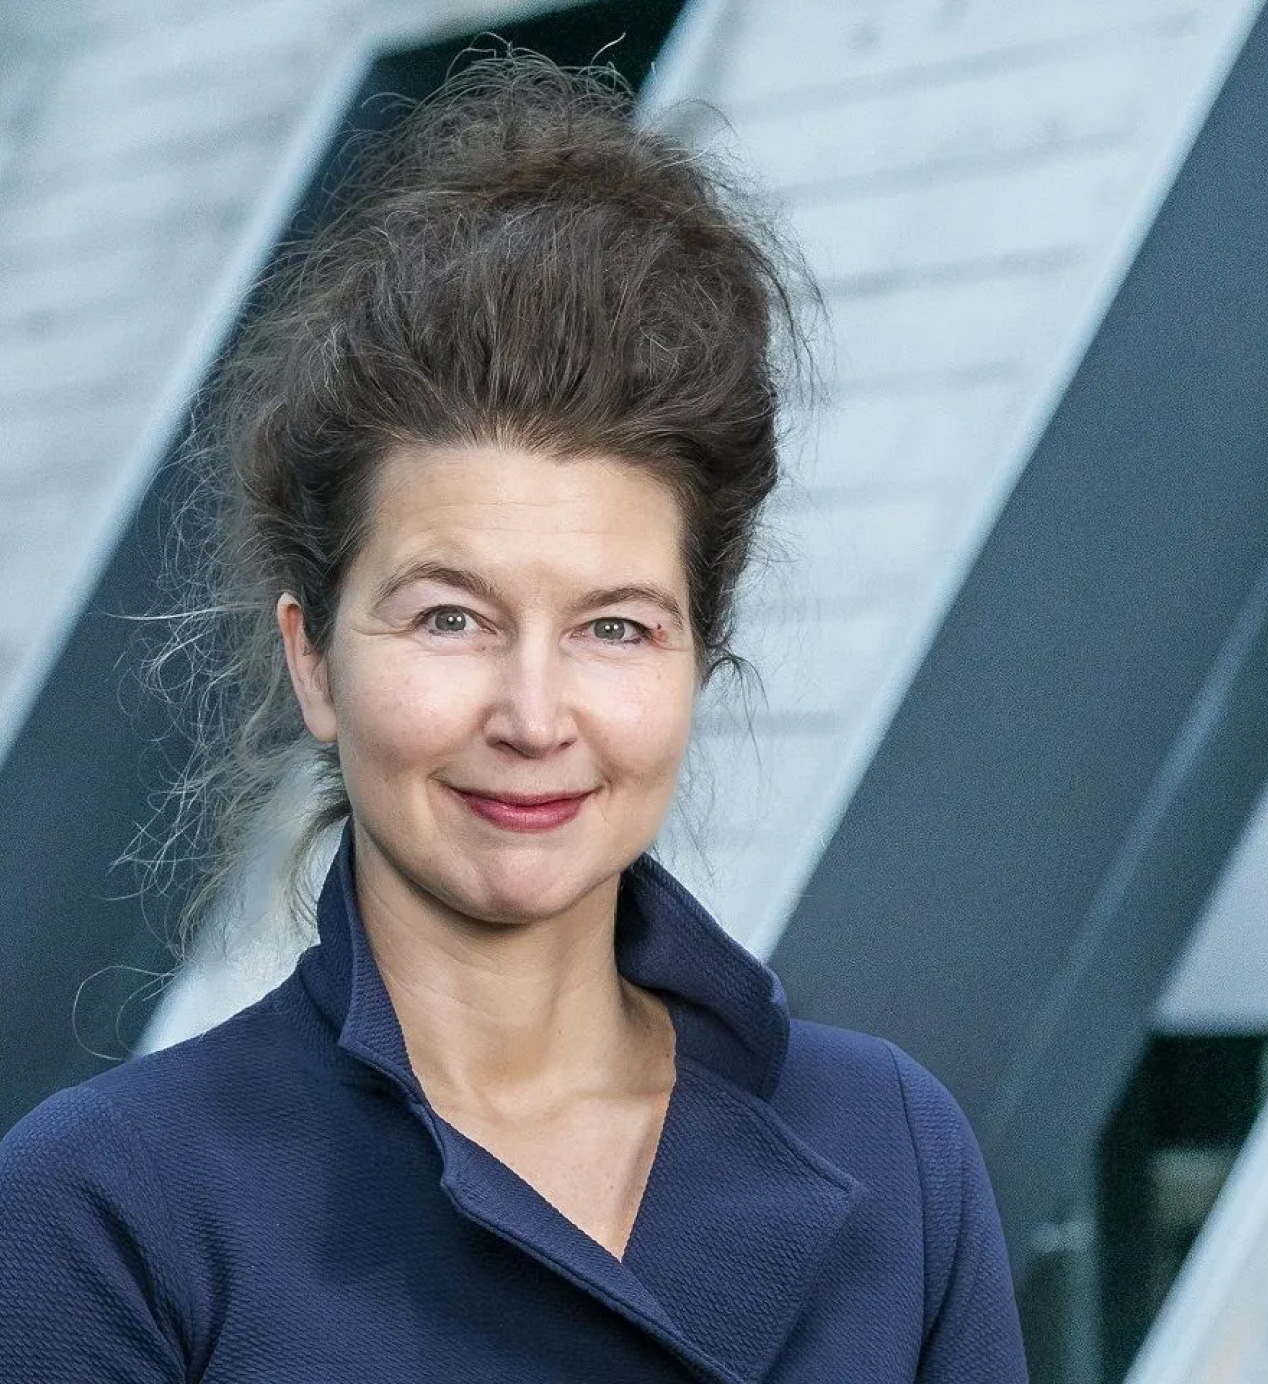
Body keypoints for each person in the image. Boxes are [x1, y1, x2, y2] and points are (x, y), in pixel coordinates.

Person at [0, 57, 1028, 1383]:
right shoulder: (107, 1211)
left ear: (698, 663)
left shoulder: (896, 1150)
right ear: (312, 660)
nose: (536, 716)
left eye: (614, 627)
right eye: (450, 618)